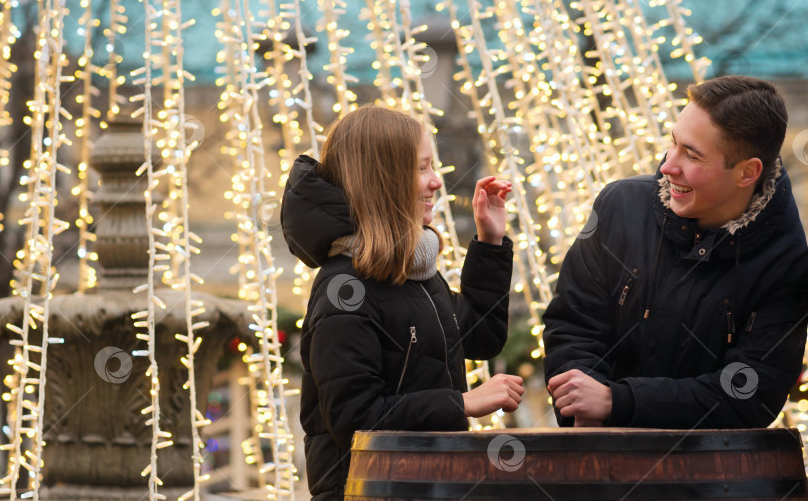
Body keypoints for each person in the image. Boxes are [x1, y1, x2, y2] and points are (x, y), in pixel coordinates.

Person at [281, 104, 524, 500]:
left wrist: (490, 243)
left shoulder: (413, 272)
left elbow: (481, 338)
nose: (436, 183)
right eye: (422, 168)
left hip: (425, 483)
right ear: (385, 180)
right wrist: (460, 403)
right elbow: (354, 419)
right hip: (366, 490)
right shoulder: (344, 289)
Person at [543, 75, 808, 429]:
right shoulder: (618, 206)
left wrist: (617, 402)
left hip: (712, 478)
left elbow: (750, 394)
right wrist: (581, 407)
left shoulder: (787, 262)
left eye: (692, 155)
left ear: (748, 173)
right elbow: (573, 325)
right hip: (595, 456)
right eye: (674, 143)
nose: (668, 165)